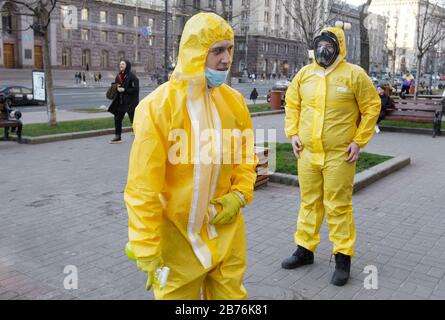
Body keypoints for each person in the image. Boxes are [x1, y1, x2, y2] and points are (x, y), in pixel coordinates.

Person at [124, 12, 257, 300]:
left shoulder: (234, 102)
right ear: (196, 53)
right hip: (177, 241)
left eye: (229, 49)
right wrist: (146, 245)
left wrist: (240, 194)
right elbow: (142, 187)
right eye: (217, 51)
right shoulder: (157, 108)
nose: (226, 59)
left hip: (226, 233)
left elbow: (246, 156)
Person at [282, 22, 381, 286]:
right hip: (307, 153)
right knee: (309, 202)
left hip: (340, 155)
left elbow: (372, 106)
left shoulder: (354, 75)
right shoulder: (304, 74)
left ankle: (342, 257)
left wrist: (359, 141)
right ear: (314, 48)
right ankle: (304, 249)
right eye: (320, 45)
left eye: (329, 46)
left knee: (338, 206)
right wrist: (292, 133)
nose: (324, 50)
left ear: (339, 48)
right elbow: (292, 103)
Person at [108, 60, 139, 143]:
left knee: (133, 120)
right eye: (120, 64)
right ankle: (118, 136)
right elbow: (115, 84)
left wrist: (125, 90)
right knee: (117, 118)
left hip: (130, 103)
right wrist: (116, 87)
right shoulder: (118, 76)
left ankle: (139, 135)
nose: (120, 65)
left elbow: (136, 89)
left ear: (127, 65)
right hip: (121, 102)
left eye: (122, 64)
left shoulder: (132, 77)